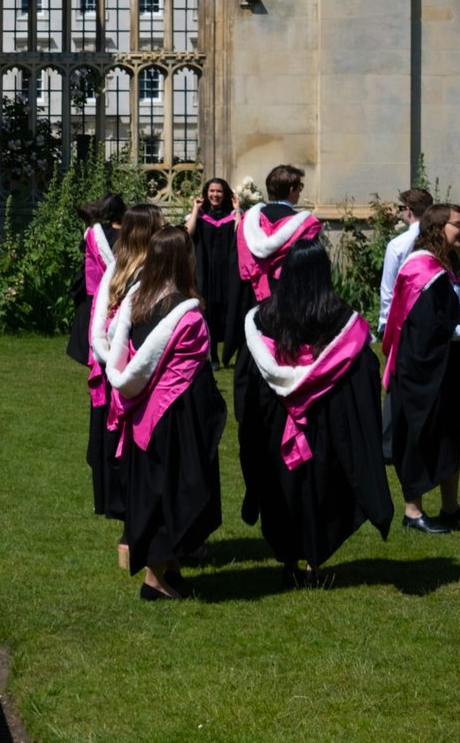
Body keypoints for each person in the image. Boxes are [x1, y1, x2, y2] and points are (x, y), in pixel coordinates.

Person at [232, 240, 394, 582]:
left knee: (281, 485)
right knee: (321, 486)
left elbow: (248, 378)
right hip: (324, 420)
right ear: (324, 273)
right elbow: (361, 367)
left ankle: (288, 560)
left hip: (276, 420)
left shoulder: (265, 316)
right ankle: (313, 563)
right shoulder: (339, 318)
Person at [102, 226, 227, 600]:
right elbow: (191, 375)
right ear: (182, 259)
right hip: (173, 415)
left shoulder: (136, 299)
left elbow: (121, 355)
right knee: (173, 491)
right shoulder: (184, 314)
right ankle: (154, 580)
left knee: (155, 489)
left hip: (139, 413)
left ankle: (169, 568)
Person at [382, 204, 460, 534]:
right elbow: (428, 325)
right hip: (421, 368)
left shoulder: (445, 265)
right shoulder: (419, 269)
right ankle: (413, 512)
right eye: (459, 225)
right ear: (439, 227)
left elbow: (454, 310)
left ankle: (451, 508)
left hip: (449, 364)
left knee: (451, 432)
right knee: (421, 433)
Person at [86, 203, 163, 551]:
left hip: (110, 371)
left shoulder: (116, 268)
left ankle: (127, 524)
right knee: (137, 448)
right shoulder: (149, 271)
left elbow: (101, 325)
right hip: (137, 372)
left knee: (116, 446)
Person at [238, 164, 323, 302]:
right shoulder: (306, 225)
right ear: (291, 190)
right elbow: (313, 265)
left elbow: (242, 263)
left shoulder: (248, 220)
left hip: (255, 295)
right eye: (299, 187)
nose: (300, 192)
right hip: (293, 295)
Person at [185, 177, 246, 366]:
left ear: (225, 193)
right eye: (211, 191)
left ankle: (228, 351)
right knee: (208, 310)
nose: (215, 194)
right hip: (206, 271)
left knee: (228, 309)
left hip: (227, 270)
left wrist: (237, 210)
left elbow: (240, 233)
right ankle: (213, 355)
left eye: (219, 191)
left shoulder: (232, 215)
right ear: (206, 193)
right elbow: (187, 233)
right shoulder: (201, 216)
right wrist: (195, 209)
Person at [66, 193, 125, 368]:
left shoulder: (94, 234)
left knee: (95, 336)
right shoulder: (130, 236)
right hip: (119, 293)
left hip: (95, 294)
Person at [378, 188, 434, 334]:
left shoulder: (397, 245)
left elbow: (388, 288)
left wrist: (385, 321)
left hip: (406, 315)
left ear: (409, 210)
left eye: (402, 208)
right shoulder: (439, 239)